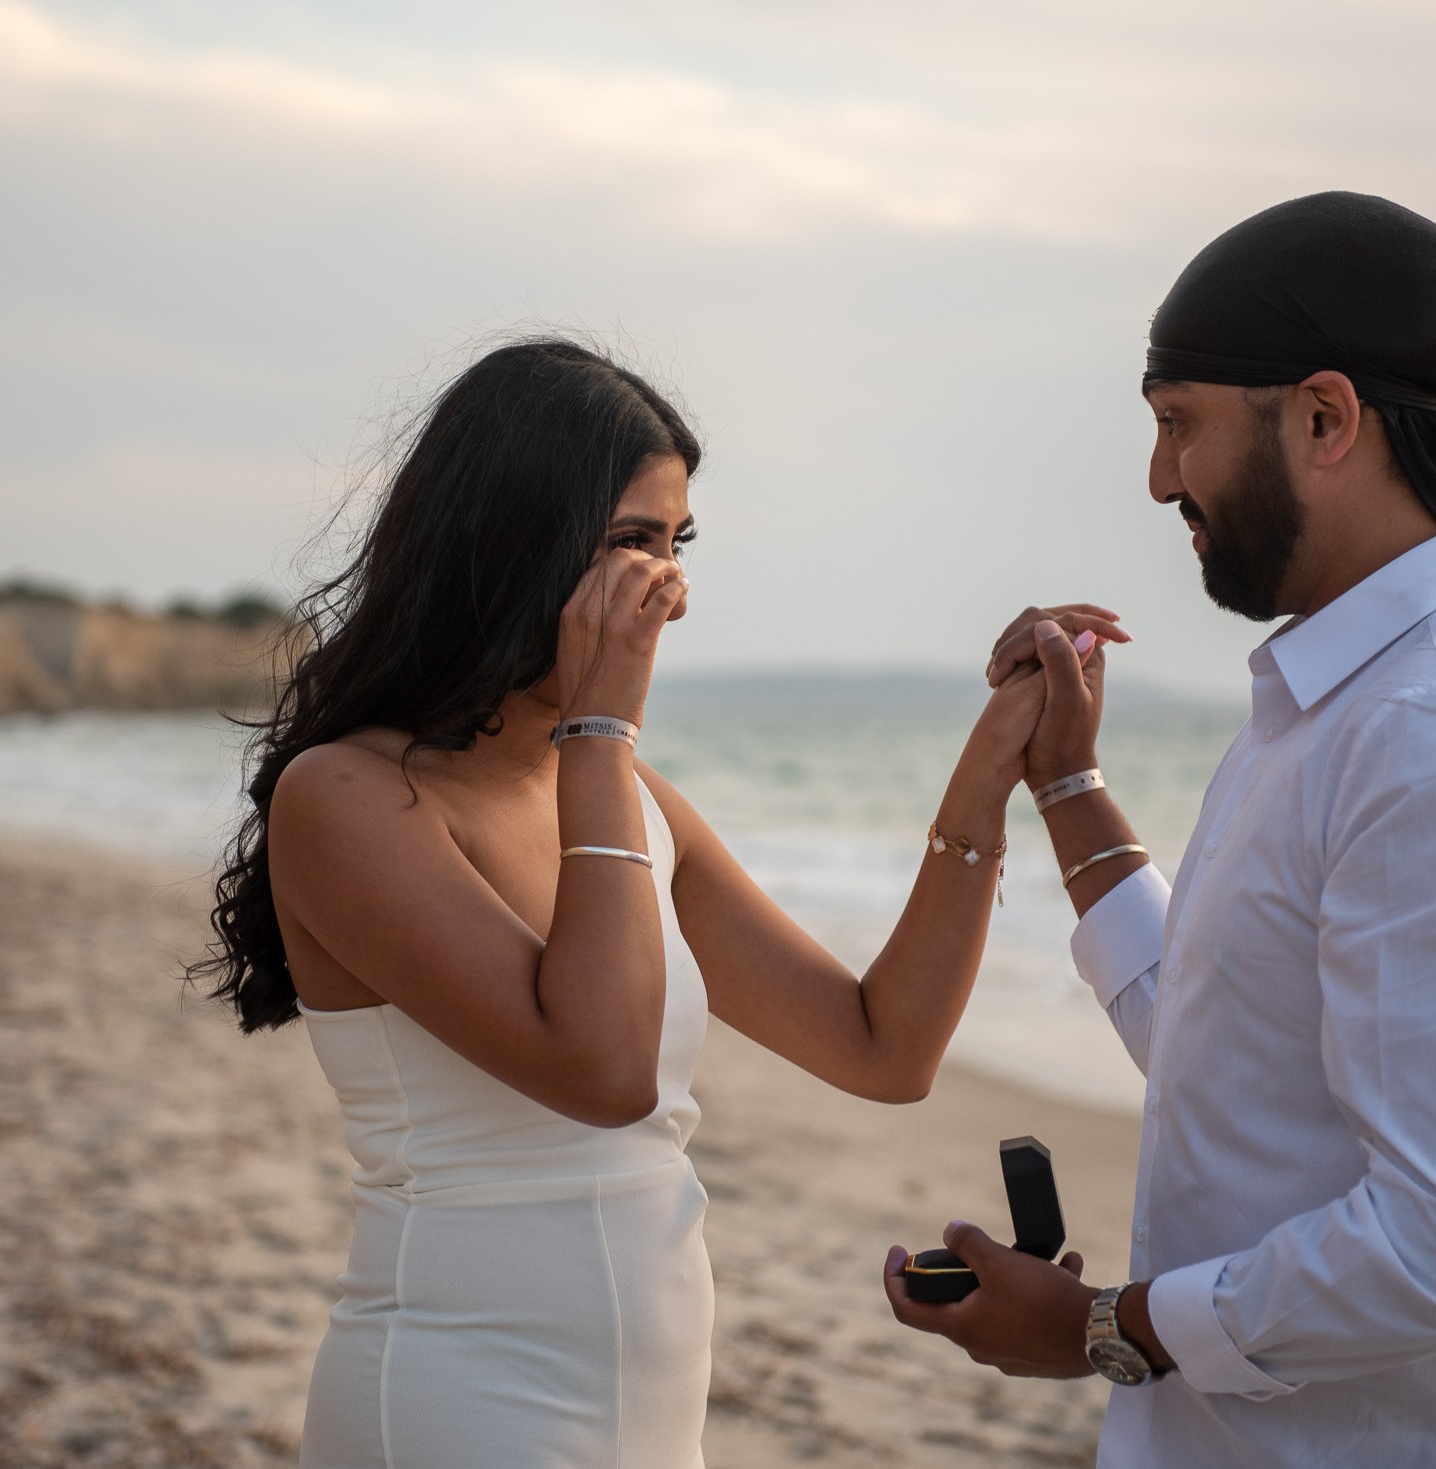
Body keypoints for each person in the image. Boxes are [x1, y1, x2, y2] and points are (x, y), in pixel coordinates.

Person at [191, 337, 1119, 1469]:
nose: (668, 590)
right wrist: (596, 732)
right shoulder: (345, 795)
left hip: (647, 1409)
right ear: (510, 541)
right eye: (632, 544)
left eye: (677, 545)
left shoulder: (624, 796)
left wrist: (989, 777)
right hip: (453, 1392)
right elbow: (605, 1069)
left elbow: (884, 1046)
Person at [883, 190, 1436, 1466]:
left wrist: (1102, 1326)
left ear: (1323, 416)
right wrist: (1065, 783)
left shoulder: (1406, 729)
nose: (1153, 479)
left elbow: (1421, 1236)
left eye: (1175, 425)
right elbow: (1229, 1046)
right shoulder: (1325, 698)